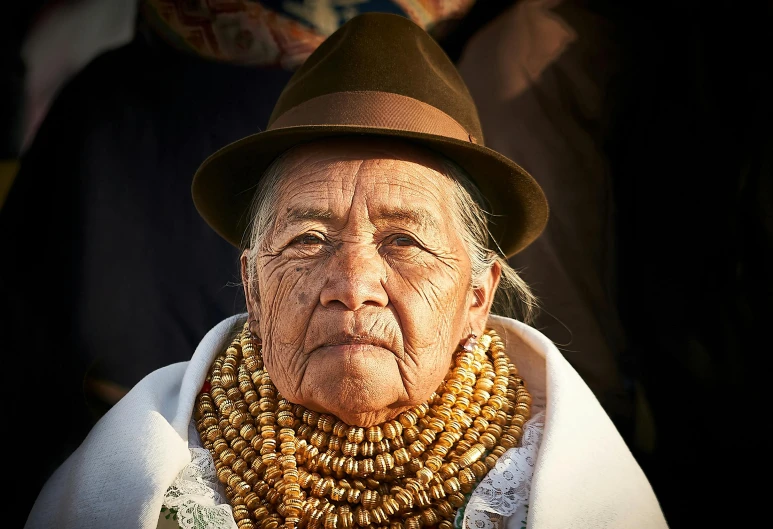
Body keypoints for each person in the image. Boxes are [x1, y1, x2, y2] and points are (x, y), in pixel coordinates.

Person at [23, 13, 667, 529]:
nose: (352, 283)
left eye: (405, 241)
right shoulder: (145, 465)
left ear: (478, 294)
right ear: (251, 282)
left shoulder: (566, 482)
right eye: (307, 238)